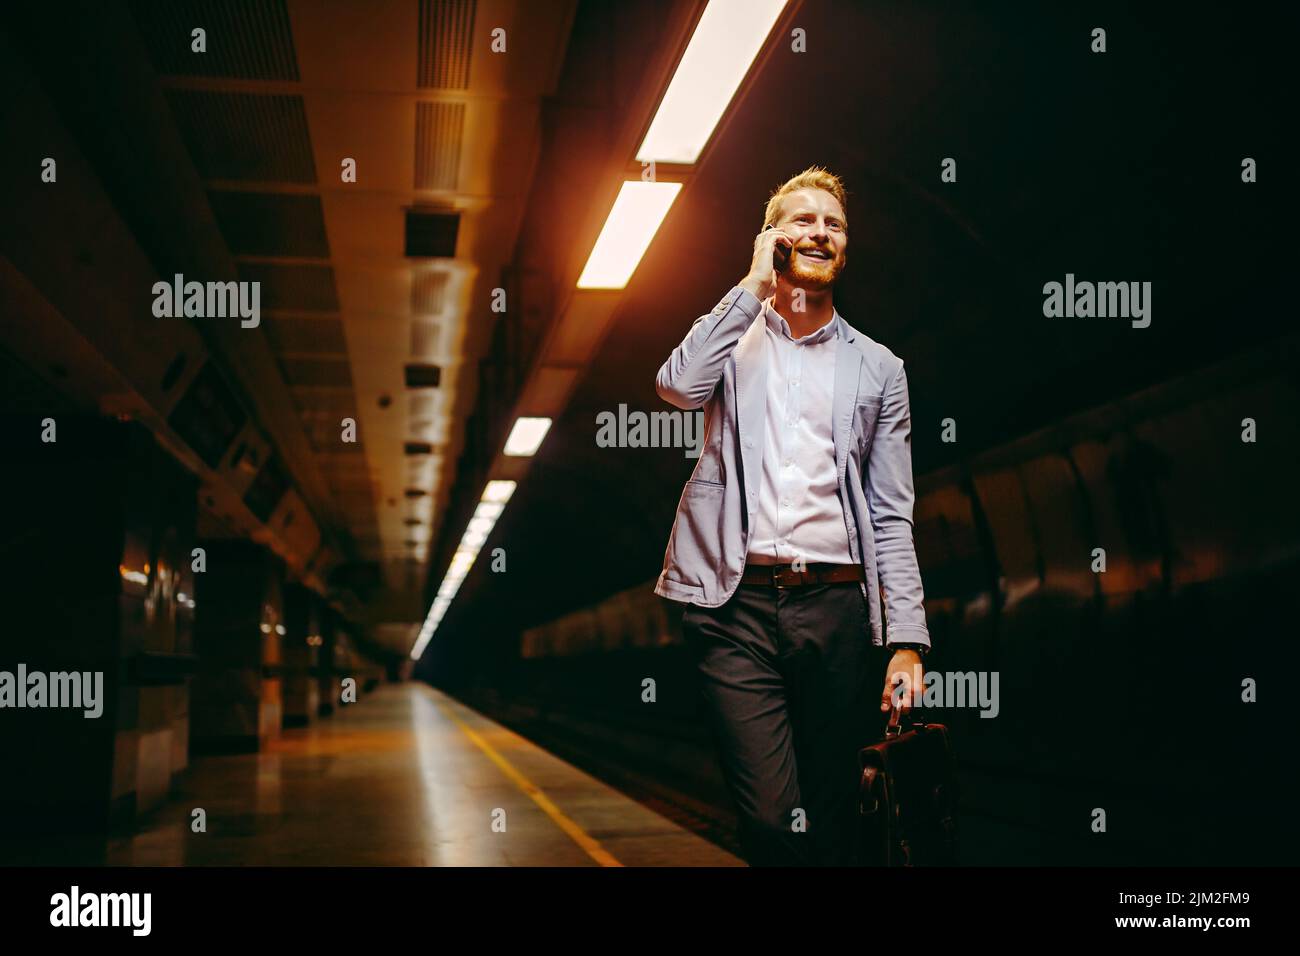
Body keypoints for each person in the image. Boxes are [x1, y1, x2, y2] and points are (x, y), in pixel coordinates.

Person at [653, 166, 930, 866]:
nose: (819, 232)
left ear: (846, 248)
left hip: (836, 608)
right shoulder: (732, 339)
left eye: (833, 224)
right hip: (733, 608)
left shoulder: (879, 368)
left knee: (835, 815)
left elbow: (892, 513)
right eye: (801, 220)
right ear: (771, 237)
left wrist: (905, 642)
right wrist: (752, 284)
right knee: (774, 822)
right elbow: (676, 387)